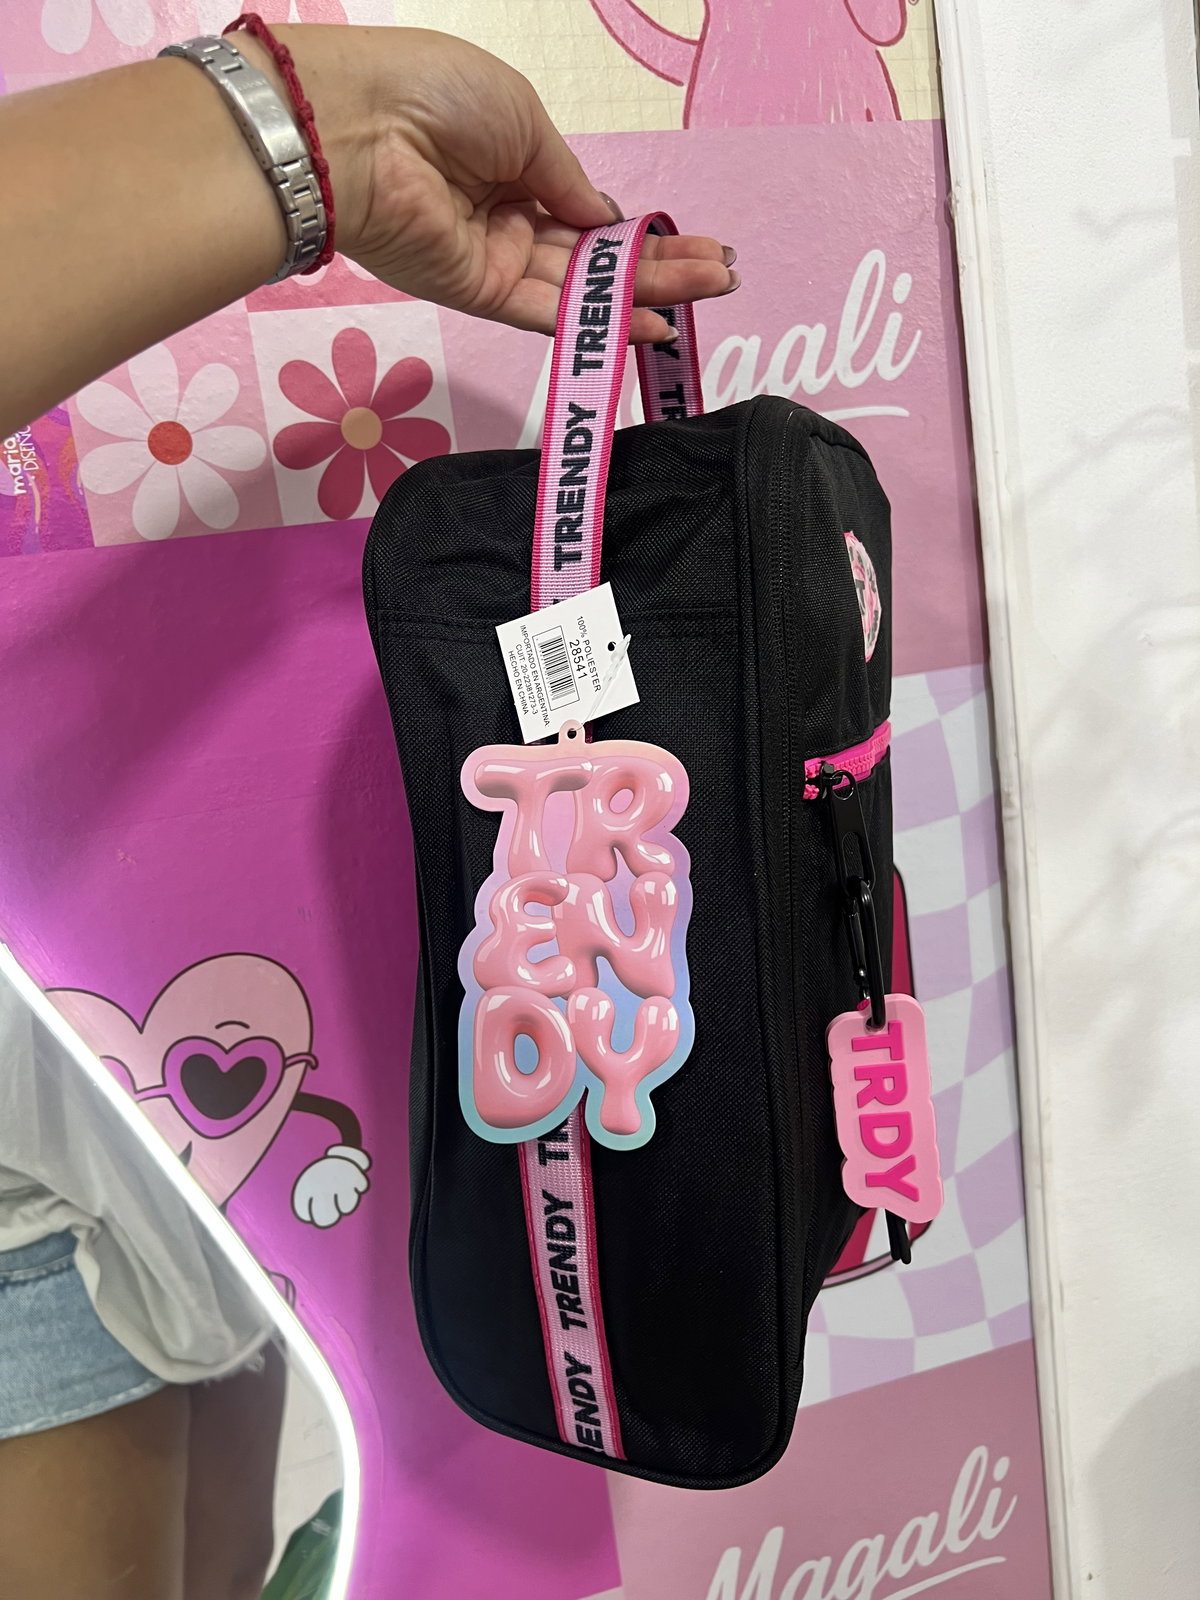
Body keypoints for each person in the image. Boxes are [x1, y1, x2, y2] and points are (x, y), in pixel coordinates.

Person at [0, 21, 736, 1600]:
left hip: (168, 1140)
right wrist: (324, 129)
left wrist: (339, 135)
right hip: (40, 1146)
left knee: (222, 1541)